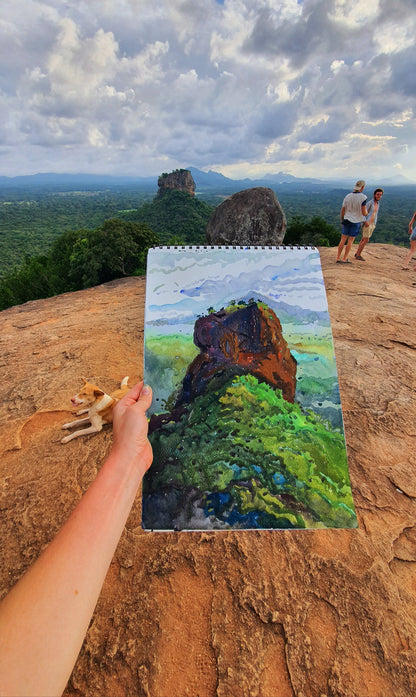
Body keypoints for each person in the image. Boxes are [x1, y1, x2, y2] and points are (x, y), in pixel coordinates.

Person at [0, 382, 153, 697]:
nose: (78, 398)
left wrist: (129, 457)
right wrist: (129, 457)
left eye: (84, 395)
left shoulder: (102, 405)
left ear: (95, 396)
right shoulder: (98, 402)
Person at [336, 180, 368, 263]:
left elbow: (343, 210)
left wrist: (342, 220)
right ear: (362, 187)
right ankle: (344, 258)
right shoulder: (363, 197)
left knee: (342, 240)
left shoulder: (348, 196)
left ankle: (338, 258)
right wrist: (367, 212)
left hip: (346, 219)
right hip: (356, 221)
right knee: (350, 241)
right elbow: (364, 212)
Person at [354, 188, 384, 261]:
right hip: (367, 223)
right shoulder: (370, 203)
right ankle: (358, 255)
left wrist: (374, 224)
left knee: (363, 239)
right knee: (366, 239)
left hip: (372, 224)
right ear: (374, 195)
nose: (379, 196)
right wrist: (365, 222)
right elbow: (363, 213)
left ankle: (357, 253)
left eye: (380, 195)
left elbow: (375, 214)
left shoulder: (377, 203)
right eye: (377, 194)